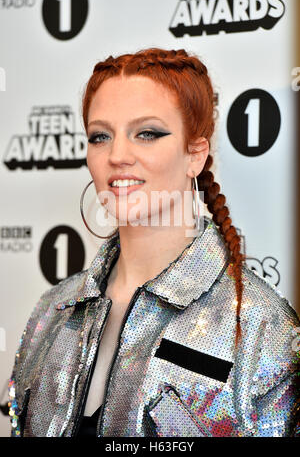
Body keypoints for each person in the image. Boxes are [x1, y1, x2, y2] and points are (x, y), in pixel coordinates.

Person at [7, 47, 300, 437]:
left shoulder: (262, 329)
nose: (117, 155)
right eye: (100, 136)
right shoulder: (53, 310)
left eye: (147, 133)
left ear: (195, 154)